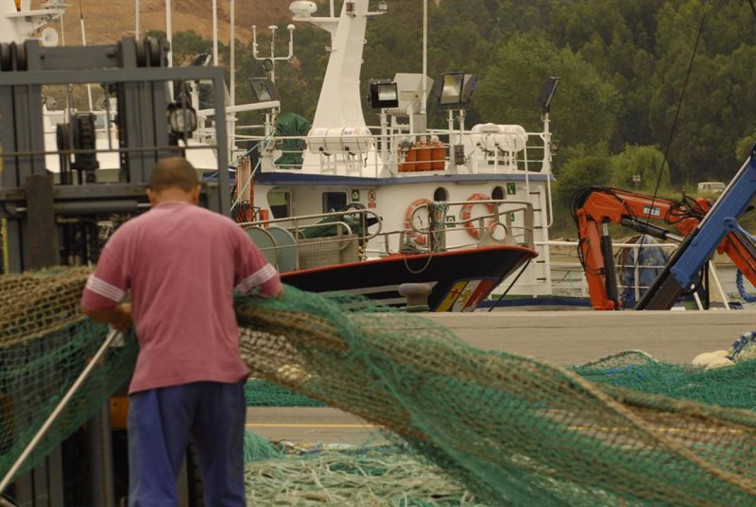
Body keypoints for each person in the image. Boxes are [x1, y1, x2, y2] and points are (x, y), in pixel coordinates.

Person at [80, 156, 282, 506]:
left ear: (150, 194)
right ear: (196, 193)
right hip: (222, 377)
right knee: (226, 492)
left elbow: (94, 303)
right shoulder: (226, 230)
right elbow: (270, 289)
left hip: (161, 377)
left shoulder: (131, 234)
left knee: (155, 492)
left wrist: (123, 314)